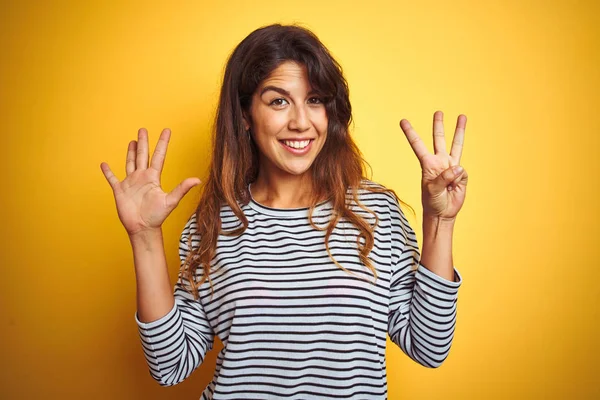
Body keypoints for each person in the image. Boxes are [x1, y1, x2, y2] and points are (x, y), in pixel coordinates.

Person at [100, 23, 469, 400]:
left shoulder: (374, 211)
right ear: (245, 115)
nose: (301, 123)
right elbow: (170, 365)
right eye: (278, 101)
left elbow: (428, 346)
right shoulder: (213, 224)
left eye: (315, 100)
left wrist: (440, 221)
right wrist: (144, 237)